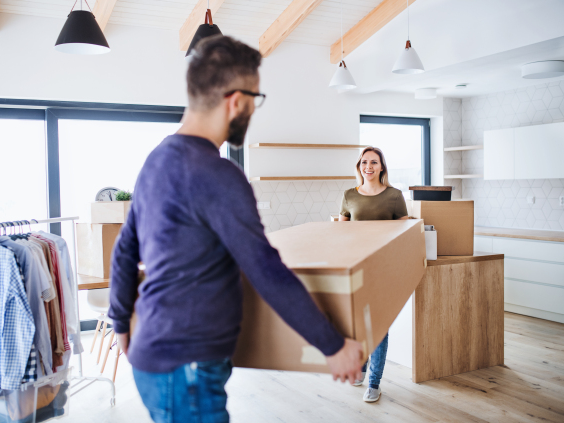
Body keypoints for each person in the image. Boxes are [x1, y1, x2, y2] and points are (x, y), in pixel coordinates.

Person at [108, 35, 363, 423]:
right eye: (255, 99)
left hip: (157, 357)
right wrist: (332, 345)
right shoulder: (218, 174)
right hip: (187, 368)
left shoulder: (156, 161)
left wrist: (120, 321)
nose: (253, 110)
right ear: (235, 100)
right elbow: (265, 269)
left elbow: (125, 250)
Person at [338, 146, 409, 403]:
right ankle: (362, 365)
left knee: (378, 328)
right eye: (364, 162)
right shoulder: (348, 195)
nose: (368, 166)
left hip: (384, 269)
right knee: (358, 325)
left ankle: (374, 382)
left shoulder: (394, 196)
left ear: (382, 167)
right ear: (359, 167)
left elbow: (405, 232)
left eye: (374, 162)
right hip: (355, 268)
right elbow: (340, 234)